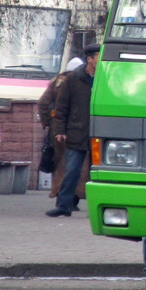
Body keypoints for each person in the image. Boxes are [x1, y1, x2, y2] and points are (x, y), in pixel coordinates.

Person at [45, 43, 100, 218]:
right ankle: (63, 205)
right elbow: (61, 108)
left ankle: (98, 208)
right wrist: (59, 130)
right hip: (77, 132)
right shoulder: (74, 79)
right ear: (90, 58)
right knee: (72, 170)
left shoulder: (106, 77)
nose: (102, 59)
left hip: (100, 133)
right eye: (99, 55)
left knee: (98, 174)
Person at [38, 57, 85, 202]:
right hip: (79, 130)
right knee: (79, 163)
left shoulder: (56, 82)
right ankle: (74, 196)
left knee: (59, 163)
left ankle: (59, 193)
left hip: (57, 129)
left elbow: (43, 103)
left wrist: (47, 123)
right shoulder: (82, 82)